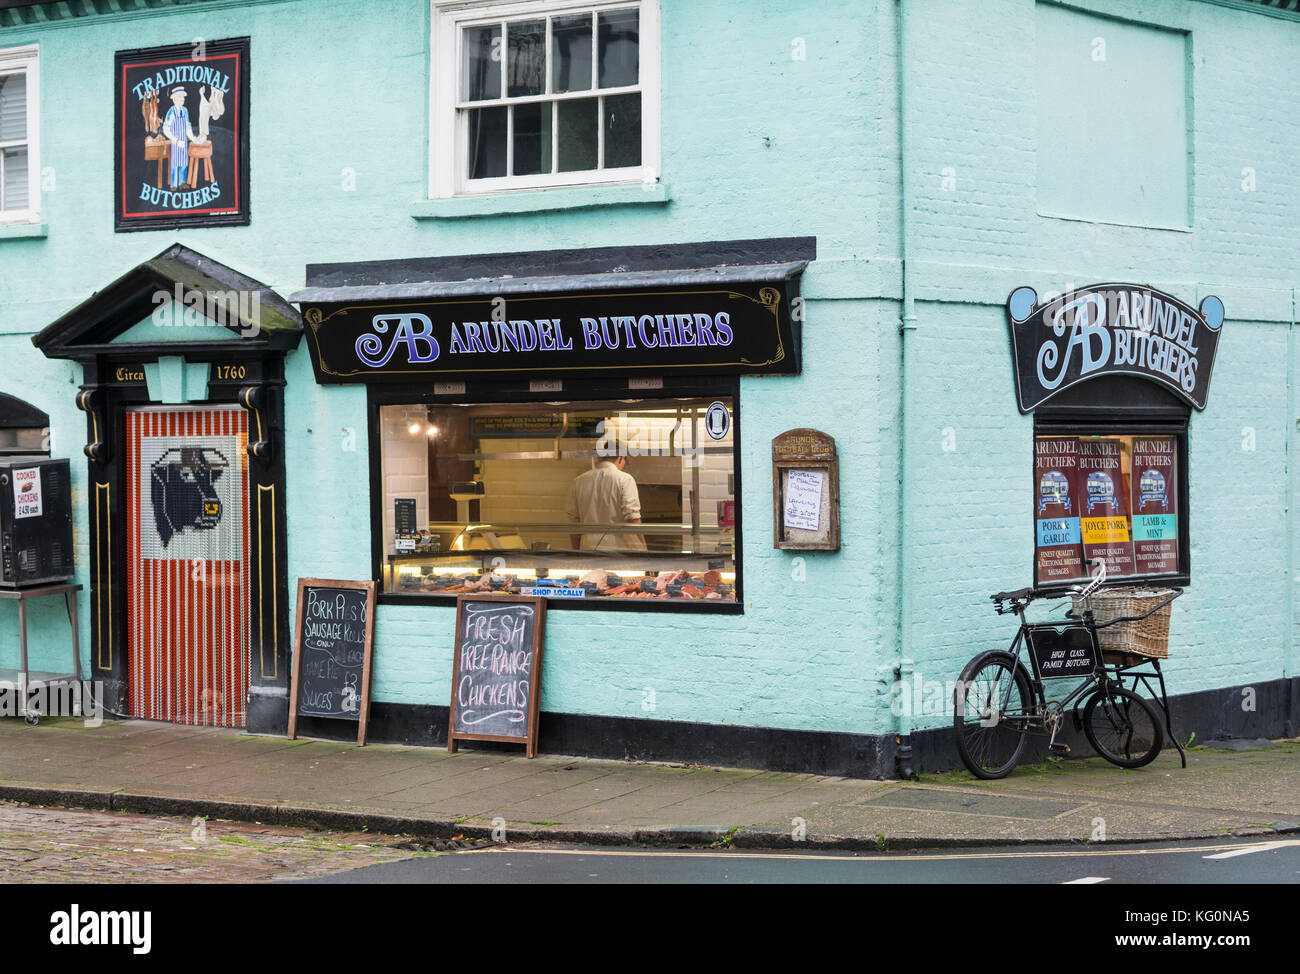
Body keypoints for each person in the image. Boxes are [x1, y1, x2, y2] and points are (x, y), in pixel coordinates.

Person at [567, 449, 646, 551]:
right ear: (621, 458)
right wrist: (644, 548)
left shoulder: (578, 481)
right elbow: (632, 518)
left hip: (587, 547)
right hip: (616, 547)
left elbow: (573, 523)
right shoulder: (625, 479)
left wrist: (576, 552)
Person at [162, 86, 201, 188]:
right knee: (175, 163)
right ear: (174, 98)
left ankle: (182, 182)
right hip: (175, 142)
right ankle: (174, 185)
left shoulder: (185, 110)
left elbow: (188, 126)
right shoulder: (171, 111)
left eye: (183, 97)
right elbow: (166, 129)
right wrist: (175, 140)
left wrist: (193, 138)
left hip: (184, 141)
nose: (182, 99)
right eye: (180, 97)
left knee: (184, 162)